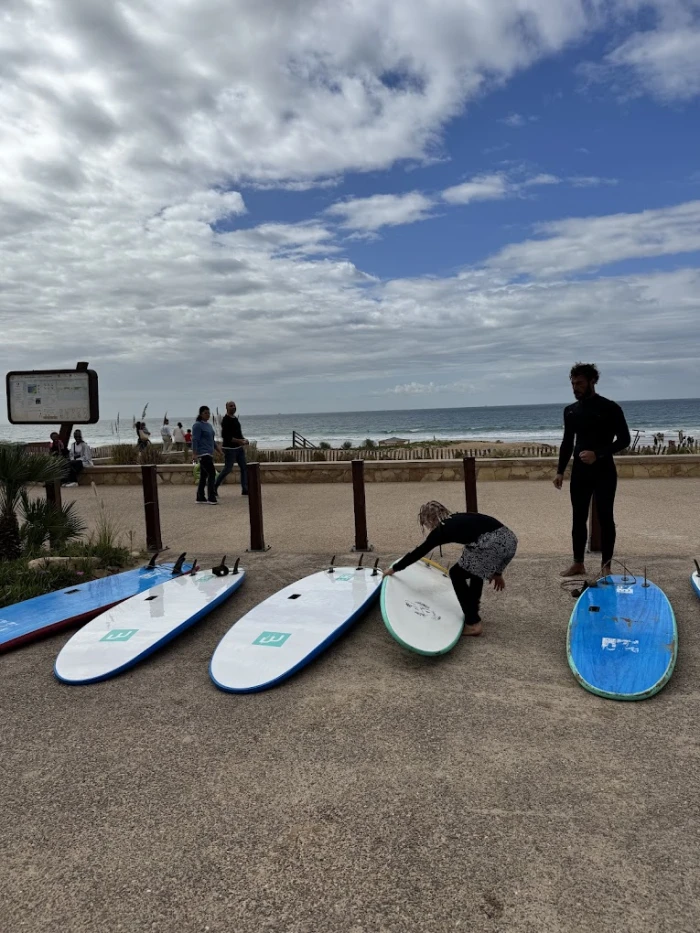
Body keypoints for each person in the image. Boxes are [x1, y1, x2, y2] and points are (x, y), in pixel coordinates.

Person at [384, 501, 518, 636]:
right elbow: (502, 542)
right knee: (473, 567)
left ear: (429, 519)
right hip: (510, 539)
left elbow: (420, 552)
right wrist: (498, 572)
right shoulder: (457, 518)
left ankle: (473, 623)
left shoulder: (442, 529)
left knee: (456, 574)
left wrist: (395, 568)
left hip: (490, 544)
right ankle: (473, 609)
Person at [554, 363, 631, 578]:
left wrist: (598, 454)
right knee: (578, 518)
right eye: (573, 383)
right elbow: (567, 442)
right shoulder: (570, 411)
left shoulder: (610, 408)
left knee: (606, 516)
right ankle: (578, 563)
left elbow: (624, 440)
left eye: (579, 383)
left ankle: (606, 566)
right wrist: (560, 471)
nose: (575, 387)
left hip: (604, 470)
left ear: (592, 382)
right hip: (580, 472)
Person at [215, 400, 249, 496]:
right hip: (229, 449)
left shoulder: (235, 419)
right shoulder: (225, 420)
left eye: (234, 405)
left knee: (244, 468)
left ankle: (245, 489)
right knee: (227, 469)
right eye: (231, 406)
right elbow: (227, 437)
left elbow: (238, 434)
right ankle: (214, 486)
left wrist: (244, 440)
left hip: (239, 449)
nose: (233, 407)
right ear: (227, 408)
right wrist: (240, 441)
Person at [191, 406, 220, 504]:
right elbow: (195, 439)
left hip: (209, 453)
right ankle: (211, 497)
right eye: (205, 413)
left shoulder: (209, 425)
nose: (208, 414)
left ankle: (200, 497)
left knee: (204, 475)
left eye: (209, 413)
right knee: (211, 473)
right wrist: (194, 453)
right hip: (203, 454)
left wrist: (217, 449)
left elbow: (211, 439)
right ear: (201, 414)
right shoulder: (197, 425)